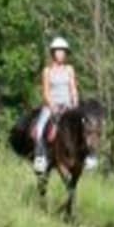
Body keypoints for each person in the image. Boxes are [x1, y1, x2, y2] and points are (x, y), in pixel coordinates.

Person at [33, 37, 80, 176]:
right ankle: (40, 157)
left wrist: (75, 102)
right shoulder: (47, 71)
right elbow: (46, 91)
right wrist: (52, 106)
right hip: (52, 105)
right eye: (58, 52)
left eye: (63, 52)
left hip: (67, 105)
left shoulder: (69, 69)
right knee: (40, 127)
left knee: (83, 124)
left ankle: (88, 156)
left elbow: (73, 88)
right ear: (53, 53)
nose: (61, 54)